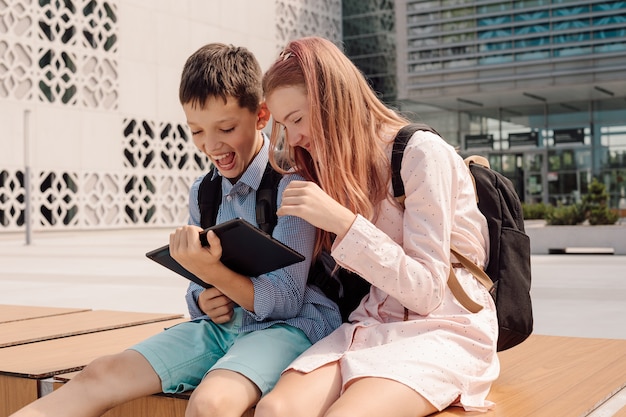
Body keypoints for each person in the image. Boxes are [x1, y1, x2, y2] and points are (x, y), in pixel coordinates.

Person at [10, 43, 341, 417]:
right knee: (101, 372)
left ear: (261, 116)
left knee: (211, 403)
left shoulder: (291, 183)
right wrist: (203, 298)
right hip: (224, 327)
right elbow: (197, 291)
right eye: (196, 131)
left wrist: (212, 271)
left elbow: (287, 299)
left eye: (227, 128)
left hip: (290, 327)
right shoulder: (204, 190)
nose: (211, 145)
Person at [254, 36, 500, 417]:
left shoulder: (420, 153)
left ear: (333, 99)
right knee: (274, 410)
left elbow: (426, 293)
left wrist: (341, 221)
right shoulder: (337, 168)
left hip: (445, 327)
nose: (294, 137)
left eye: (298, 119)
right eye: (285, 126)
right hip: (371, 323)